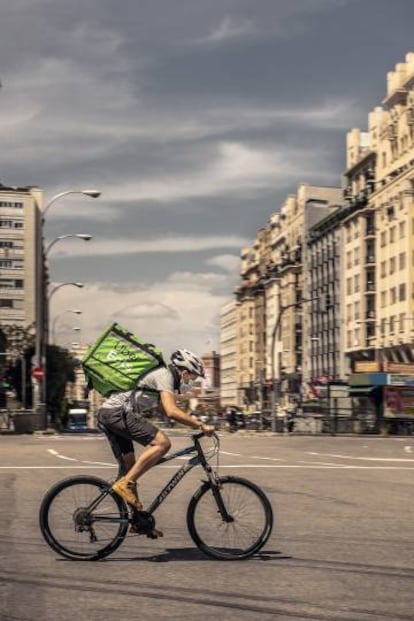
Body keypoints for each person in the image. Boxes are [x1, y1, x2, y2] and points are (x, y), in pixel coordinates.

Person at [97, 348, 215, 536]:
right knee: (162, 443)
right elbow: (171, 411)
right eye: (191, 377)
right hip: (117, 413)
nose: (190, 382)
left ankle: (138, 522)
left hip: (110, 413)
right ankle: (125, 485)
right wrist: (200, 425)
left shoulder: (162, 380)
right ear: (183, 371)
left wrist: (188, 421)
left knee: (130, 470)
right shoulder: (165, 375)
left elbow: (165, 408)